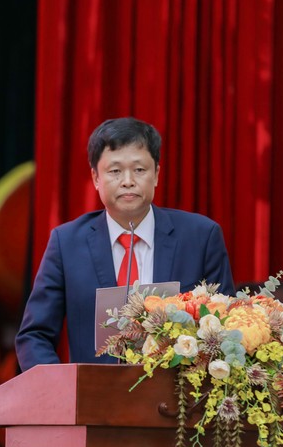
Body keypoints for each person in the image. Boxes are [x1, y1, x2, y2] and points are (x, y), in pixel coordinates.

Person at [15, 117, 235, 371]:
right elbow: (35, 335)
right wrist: (60, 388)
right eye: (115, 171)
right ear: (96, 178)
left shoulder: (200, 237)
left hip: (179, 391)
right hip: (95, 394)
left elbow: (226, 327)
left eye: (139, 170)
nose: (128, 180)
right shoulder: (67, 244)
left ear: (156, 174)